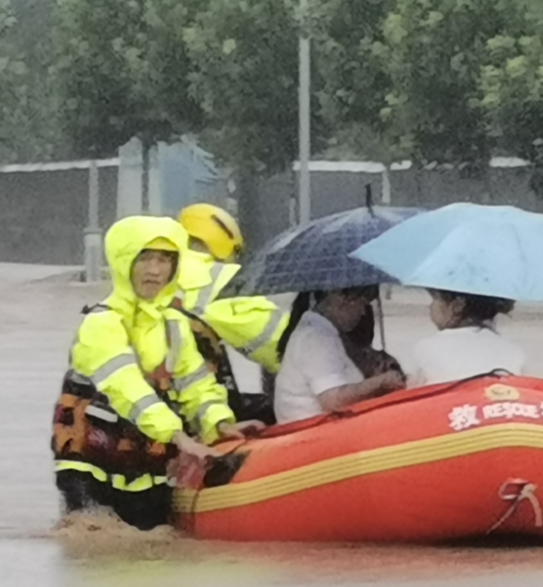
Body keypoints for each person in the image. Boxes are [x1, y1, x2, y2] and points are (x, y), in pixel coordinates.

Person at [51, 216, 251, 529]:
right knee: (95, 545)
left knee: (155, 545)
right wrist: (179, 437)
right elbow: (127, 388)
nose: (155, 270)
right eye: (144, 258)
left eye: (164, 260)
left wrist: (219, 423)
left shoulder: (174, 324)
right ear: (123, 262)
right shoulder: (102, 323)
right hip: (90, 462)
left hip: (146, 460)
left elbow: (195, 382)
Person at [173, 203, 286, 425]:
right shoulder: (220, 279)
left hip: (169, 399)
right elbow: (277, 343)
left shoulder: (160, 269)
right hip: (201, 407)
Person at [274, 285, 407, 423]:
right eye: (361, 304)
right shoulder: (316, 338)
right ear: (340, 298)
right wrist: (380, 382)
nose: (362, 313)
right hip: (313, 430)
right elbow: (333, 401)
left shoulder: (324, 331)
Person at [404, 289, 526, 385]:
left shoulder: (425, 348)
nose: (430, 307)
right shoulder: (512, 350)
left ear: (457, 306)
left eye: (436, 300)